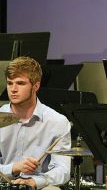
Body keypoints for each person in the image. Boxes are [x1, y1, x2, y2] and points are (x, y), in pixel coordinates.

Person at [0, 56, 71, 189]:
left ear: (36, 86)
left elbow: (63, 170)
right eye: (10, 83)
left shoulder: (57, 122)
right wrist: (13, 168)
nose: (13, 89)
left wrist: (35, 181)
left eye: (20, 83)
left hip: (38, 185)